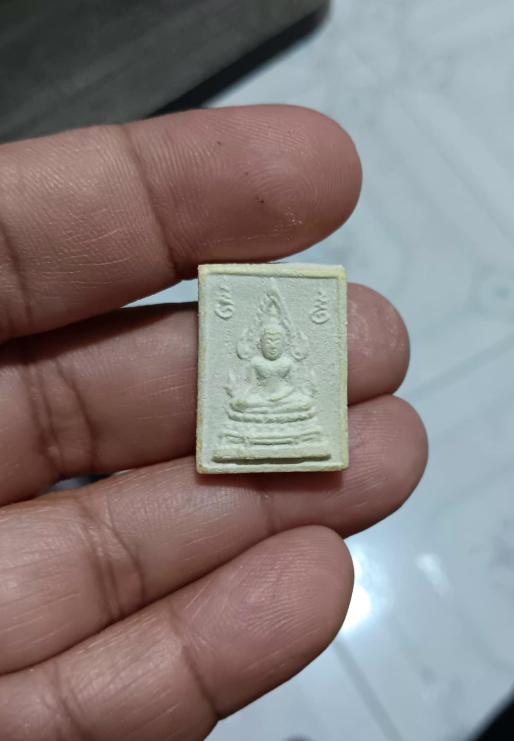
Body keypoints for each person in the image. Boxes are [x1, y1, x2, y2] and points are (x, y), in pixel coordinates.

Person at [0, 105, 427, 739]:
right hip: (255, 407)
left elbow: (291, 384)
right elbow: (250, 385)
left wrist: (279, 383)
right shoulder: (257, 353)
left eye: (278, 342)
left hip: (284, 408)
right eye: (269, 342)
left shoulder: (285, 354)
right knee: (254, 404)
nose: (273, 347)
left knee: (294, 404)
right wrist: (241, 387)